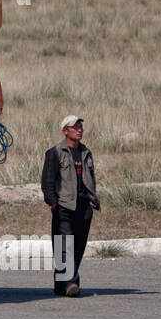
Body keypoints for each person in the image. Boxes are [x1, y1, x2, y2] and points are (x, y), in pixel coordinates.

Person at [41, 115, 99, 297]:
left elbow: (91, 178)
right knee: (65, 246)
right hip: (64, 206)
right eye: (75, 127)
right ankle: (72, 282)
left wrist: (92, 198)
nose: (79, 129)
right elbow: (47, 180)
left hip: (84, 206)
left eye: (80, 126)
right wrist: (52, 202)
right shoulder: (55, 152)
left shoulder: (86, 152)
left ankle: (61, 283)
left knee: (78, 246)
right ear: (65, 131)